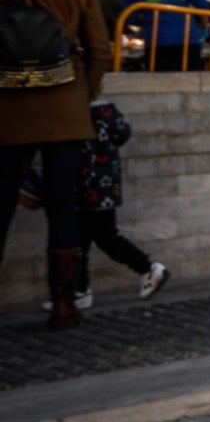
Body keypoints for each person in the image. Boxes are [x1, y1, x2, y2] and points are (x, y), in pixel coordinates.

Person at [0, 0, 112, 328]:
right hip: (64, 103)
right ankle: (64, 303)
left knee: (1, 206)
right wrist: (84, 92)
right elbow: (99, 49)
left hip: (7, 108)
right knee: (63, 204)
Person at [31, 98, 169, 311]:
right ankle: (80, 290)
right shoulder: (105, 113)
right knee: (84, 239)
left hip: (86, 190)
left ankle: (147, 268)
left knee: (101, 238)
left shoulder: (76, 112)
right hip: (104, 190)